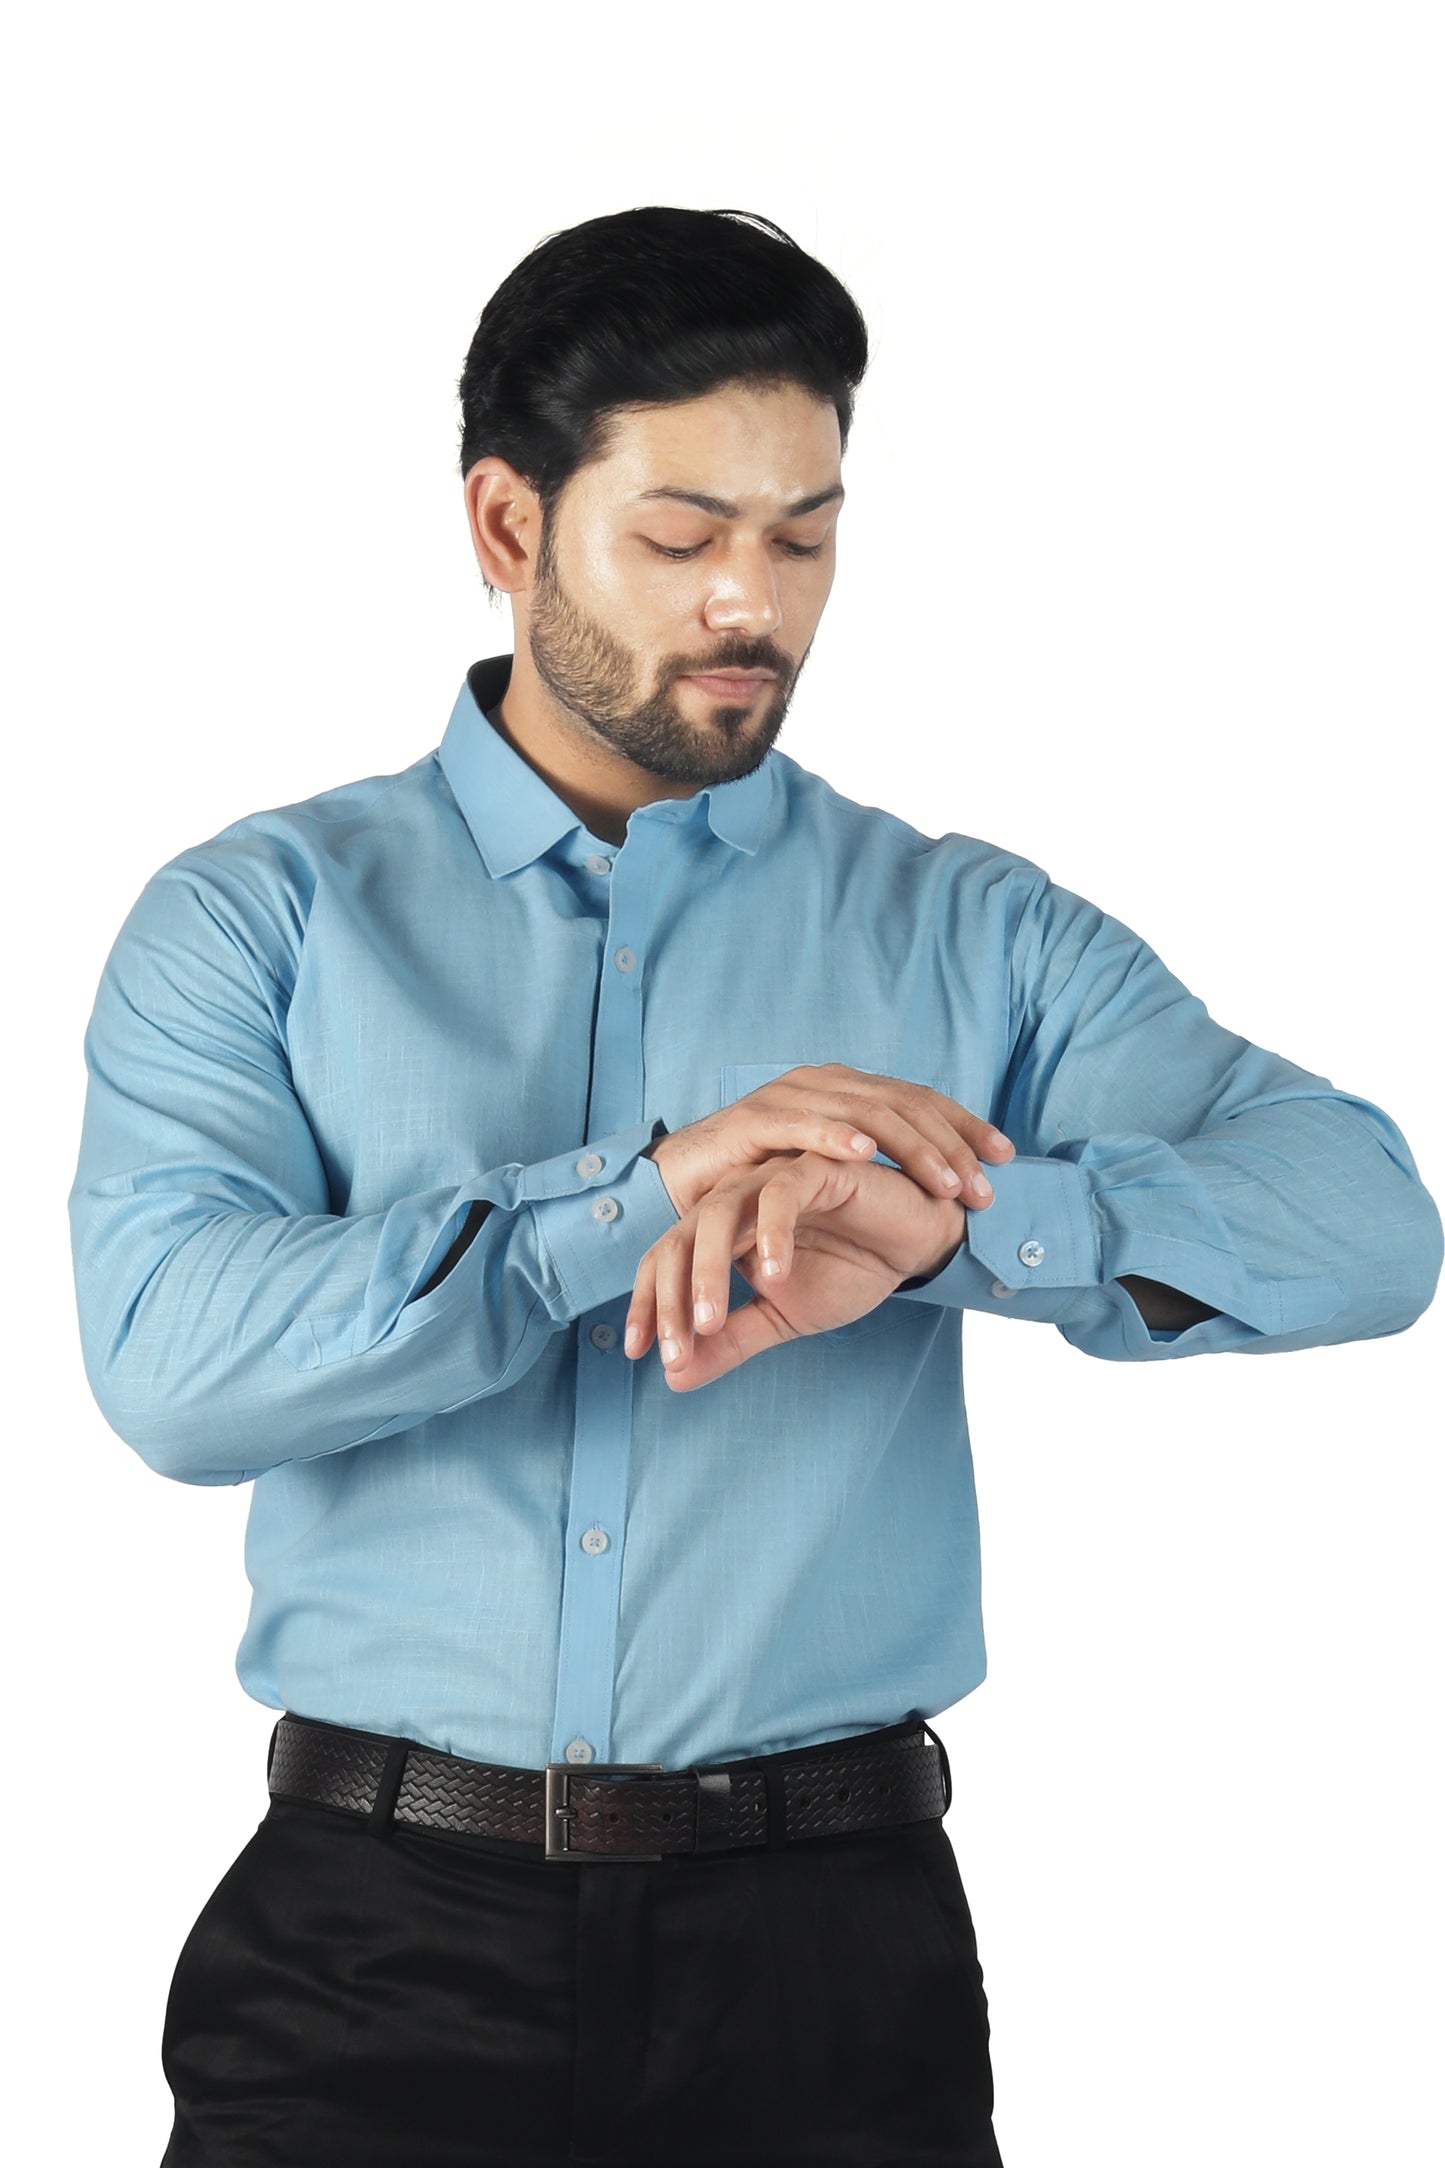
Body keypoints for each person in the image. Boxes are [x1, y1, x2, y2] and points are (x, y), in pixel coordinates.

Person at [67, 204, 1441, 2168]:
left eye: (805, 534)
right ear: (511, 527)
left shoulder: (964, 928)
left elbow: (1373, 1221)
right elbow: (171, 1369)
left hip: (831, 1961)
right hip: (375, 1945)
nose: (756, 603)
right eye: (686, 535)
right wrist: (624, 1203)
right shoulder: (259, 922)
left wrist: (972, 1231)